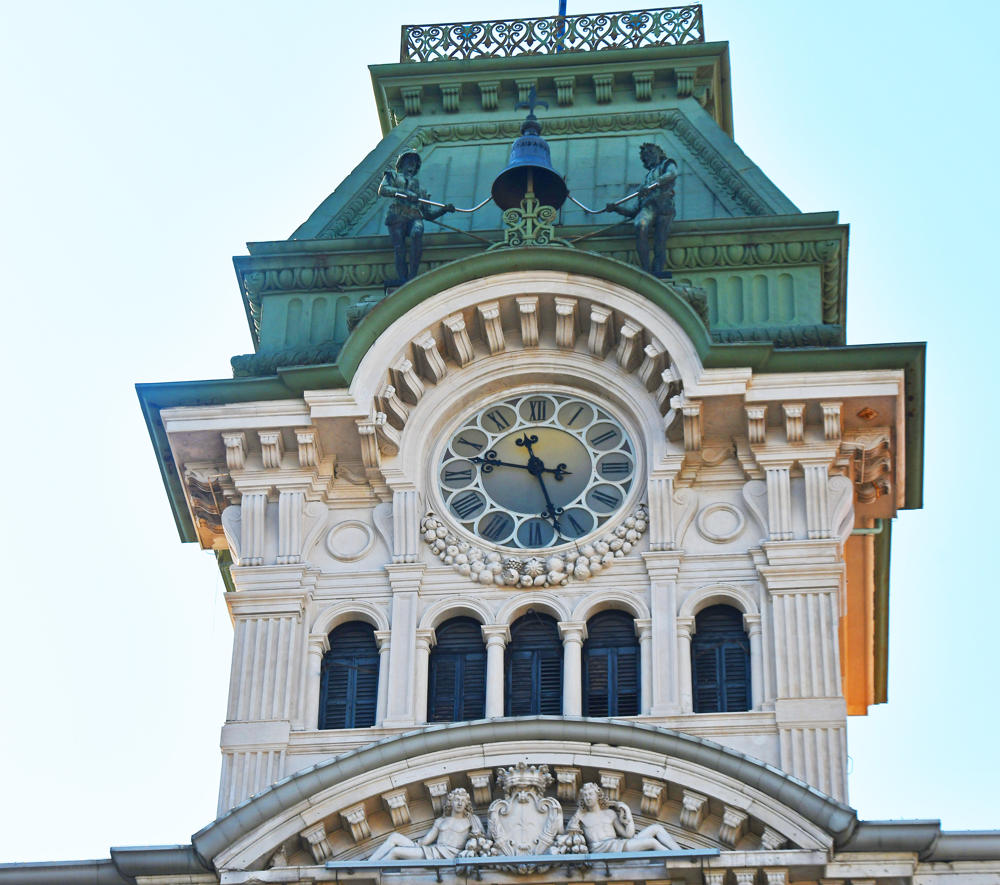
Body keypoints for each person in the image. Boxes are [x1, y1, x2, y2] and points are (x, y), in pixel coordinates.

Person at [378, 150, 454, 284]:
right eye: (409, 161)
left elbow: (428, 215)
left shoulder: (421, 189)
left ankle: (412, 277)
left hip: (414, 216)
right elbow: (383, 189)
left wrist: (443, 210)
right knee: (399, 247)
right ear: (402, 163)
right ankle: (403, 279)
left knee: (417, 232)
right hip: (397, 215)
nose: (412, 164)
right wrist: (404, 192)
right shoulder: (392, 176)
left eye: (414, 162)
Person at [604, 142, 678, 277]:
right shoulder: (645, 182)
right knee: (640, 224)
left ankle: (657, 270)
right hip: (648, 207)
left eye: (651, 153)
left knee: (660, 240)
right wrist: (616, 209)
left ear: (659, 153)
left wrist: (653, 185)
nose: (648, 157)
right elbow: (633, 211)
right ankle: (646, 269)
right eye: (645, 156)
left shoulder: (667, 164)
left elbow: (672, 173)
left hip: (664, 207)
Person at [368, 787, 484, 861]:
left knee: (395, 852)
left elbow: (483, 840)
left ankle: (372, 873)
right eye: (457, 800)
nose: (460, 803)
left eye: (463, 801)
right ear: (451, 802)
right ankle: (367, 867)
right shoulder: (440, 821)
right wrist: (413, 846)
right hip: (433, 851)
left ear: (466, 804)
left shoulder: (471, 820)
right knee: (394, 837)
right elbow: (426, 841)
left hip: (450, 855)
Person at [567, 783, 681, 853]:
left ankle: (682, 854)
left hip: (617, 845)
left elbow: (628, 835)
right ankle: (676, 860)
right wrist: (579, 811)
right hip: (606, 849)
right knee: (652, 842)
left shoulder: (610, 813)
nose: (588, 797)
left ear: (597, 796)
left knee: (657, 827)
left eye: (590, 794)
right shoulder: (581, 817)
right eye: (585, 795)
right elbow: (569, 832)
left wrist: (627, 811)